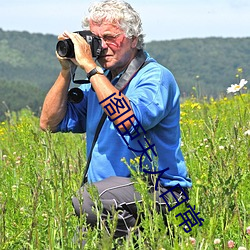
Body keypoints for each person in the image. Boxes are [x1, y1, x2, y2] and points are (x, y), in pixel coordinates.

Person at [40, 0, 192, 244]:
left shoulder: (154, 77)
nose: (102, 47)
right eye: (96, 39)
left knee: (87, 199)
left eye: (110, 37)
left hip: (159, 191)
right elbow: (49, 123)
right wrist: (66, 70)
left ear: (133, 39)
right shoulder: (99, 83)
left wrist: (90, 67)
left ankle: (146, 239)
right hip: (111, 199)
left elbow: (129, 121)